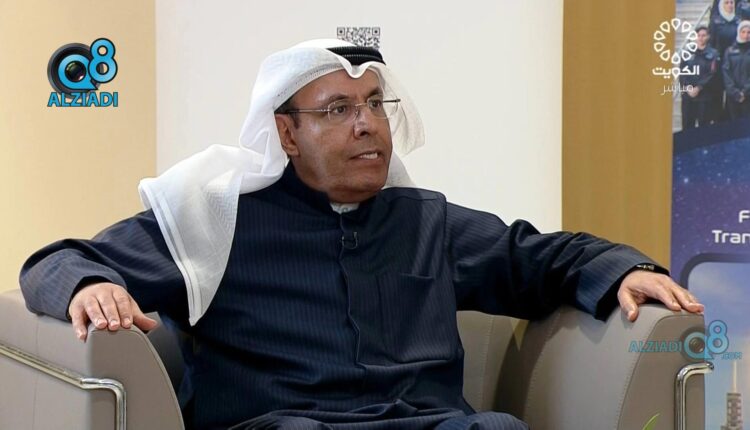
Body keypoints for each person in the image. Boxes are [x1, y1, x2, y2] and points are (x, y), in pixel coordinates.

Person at [19, 40, 704, 430]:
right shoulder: (218, 221)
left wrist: (623, 269)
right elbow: (55, 262)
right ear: (287, 133)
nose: (367, 124)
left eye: (375, 103)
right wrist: (90, 285)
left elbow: (541, 257)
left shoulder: (425, 222)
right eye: (338, 109)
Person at [680, 26, 722, 128]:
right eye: (698, 35)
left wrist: (699, 87)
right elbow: (682, 72)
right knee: (687, 127)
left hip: (705, 96)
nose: (701, 38)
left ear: (708, 37)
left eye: (703, 35)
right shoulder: (687, 53)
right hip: (688, 96)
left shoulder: (714, 54)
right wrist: (688, 87)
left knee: (704, 129)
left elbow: (712, 74)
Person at [723, 20, 750, 119]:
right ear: (739, 32)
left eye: (749, 32)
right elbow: (726, 72)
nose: (746, 35)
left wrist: (745, 92)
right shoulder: (730, 51)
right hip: (733, 96)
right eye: (743, 32)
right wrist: (735, 92)